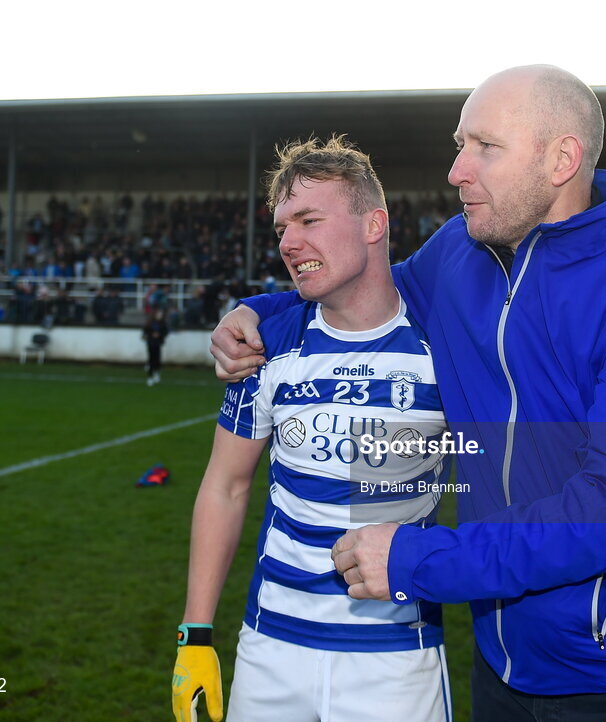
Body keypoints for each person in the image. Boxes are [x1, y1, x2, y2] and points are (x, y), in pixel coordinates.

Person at [212, 66, 606, 720]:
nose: (457, 169)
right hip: (504, 672)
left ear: (561, 158)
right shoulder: (462, 251)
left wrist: (423, 560)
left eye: (485, 147)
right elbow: (367, 289)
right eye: (460, 145)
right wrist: (255, 310)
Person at [172, 136, 452, 722]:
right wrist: (195, 636)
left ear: (374, 224)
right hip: (270, 651)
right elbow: (225, 486)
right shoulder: (267, 345)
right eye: (280, 229)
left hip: (396, 658)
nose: (289, 243)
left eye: (309, 220)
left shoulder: (442, 346)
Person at [143, 308, 169, 386]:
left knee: (157, 359)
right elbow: (145, 332)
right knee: (151, 360)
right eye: (158, 314)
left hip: (158, 343)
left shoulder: (162, 323)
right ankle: (150, 377)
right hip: (151, 343)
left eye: (161, 314)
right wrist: (151, 335)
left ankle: (156, 372)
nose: (160, 316)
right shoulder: (150, 323)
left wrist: (159, 335)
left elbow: (165, 332)